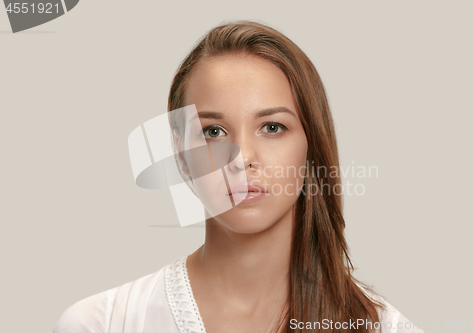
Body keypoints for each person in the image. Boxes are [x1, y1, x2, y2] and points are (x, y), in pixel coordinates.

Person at [53, 20, 424, 333]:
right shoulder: (101, 324)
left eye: (273, 127)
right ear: (181, 154)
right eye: (214, 132)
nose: (242, 158)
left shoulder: (384, 328)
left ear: (312, 148)